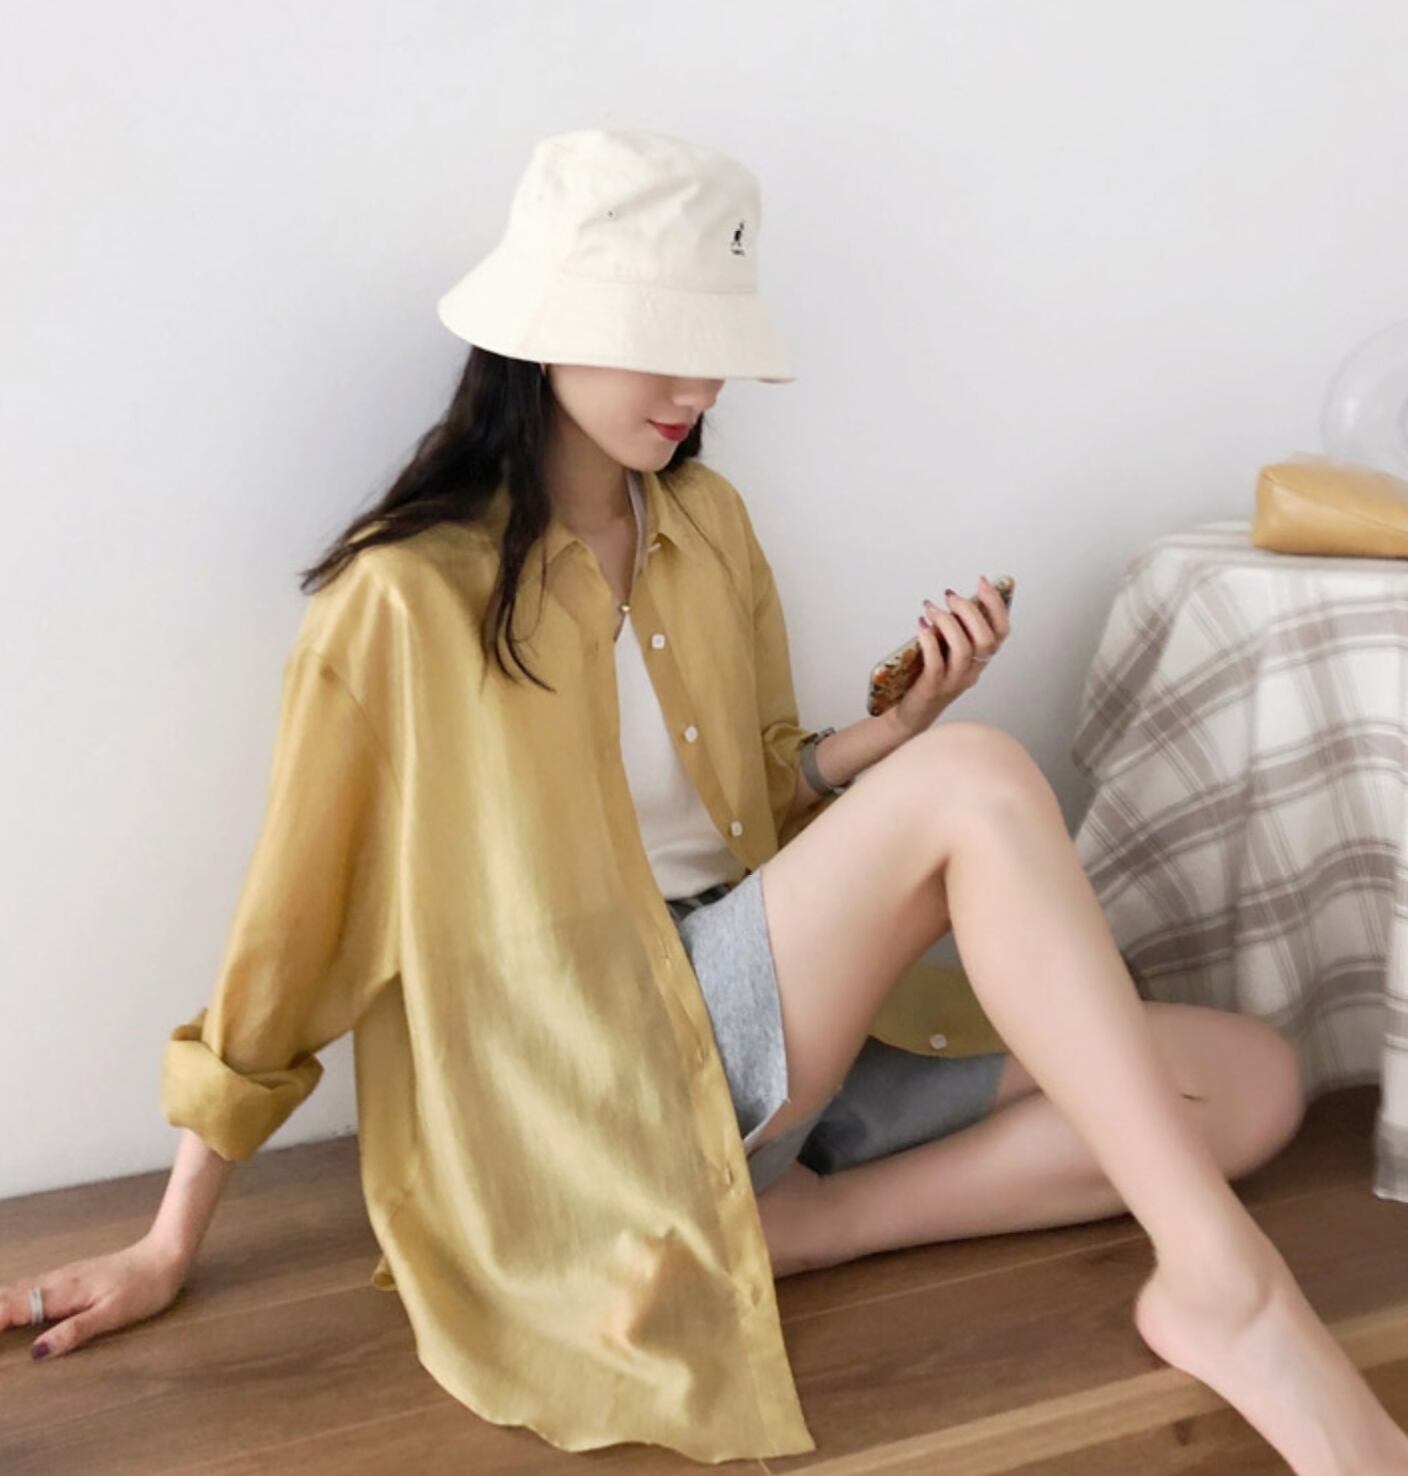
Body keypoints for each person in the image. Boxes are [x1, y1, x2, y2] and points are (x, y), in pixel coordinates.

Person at [5, 127, 1406, 1473]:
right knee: (979, 783)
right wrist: (167, 1242)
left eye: (715, 347)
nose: (700, 388)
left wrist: (894, 732)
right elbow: (293, 927)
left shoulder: (706, 528)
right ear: (546, 328)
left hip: (766, 1022)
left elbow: (762, 806)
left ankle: (796, 1231)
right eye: (660, 340)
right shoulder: (402, 598)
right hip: (601, 1073)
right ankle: (1228, 1288)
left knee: (1249, 1081)